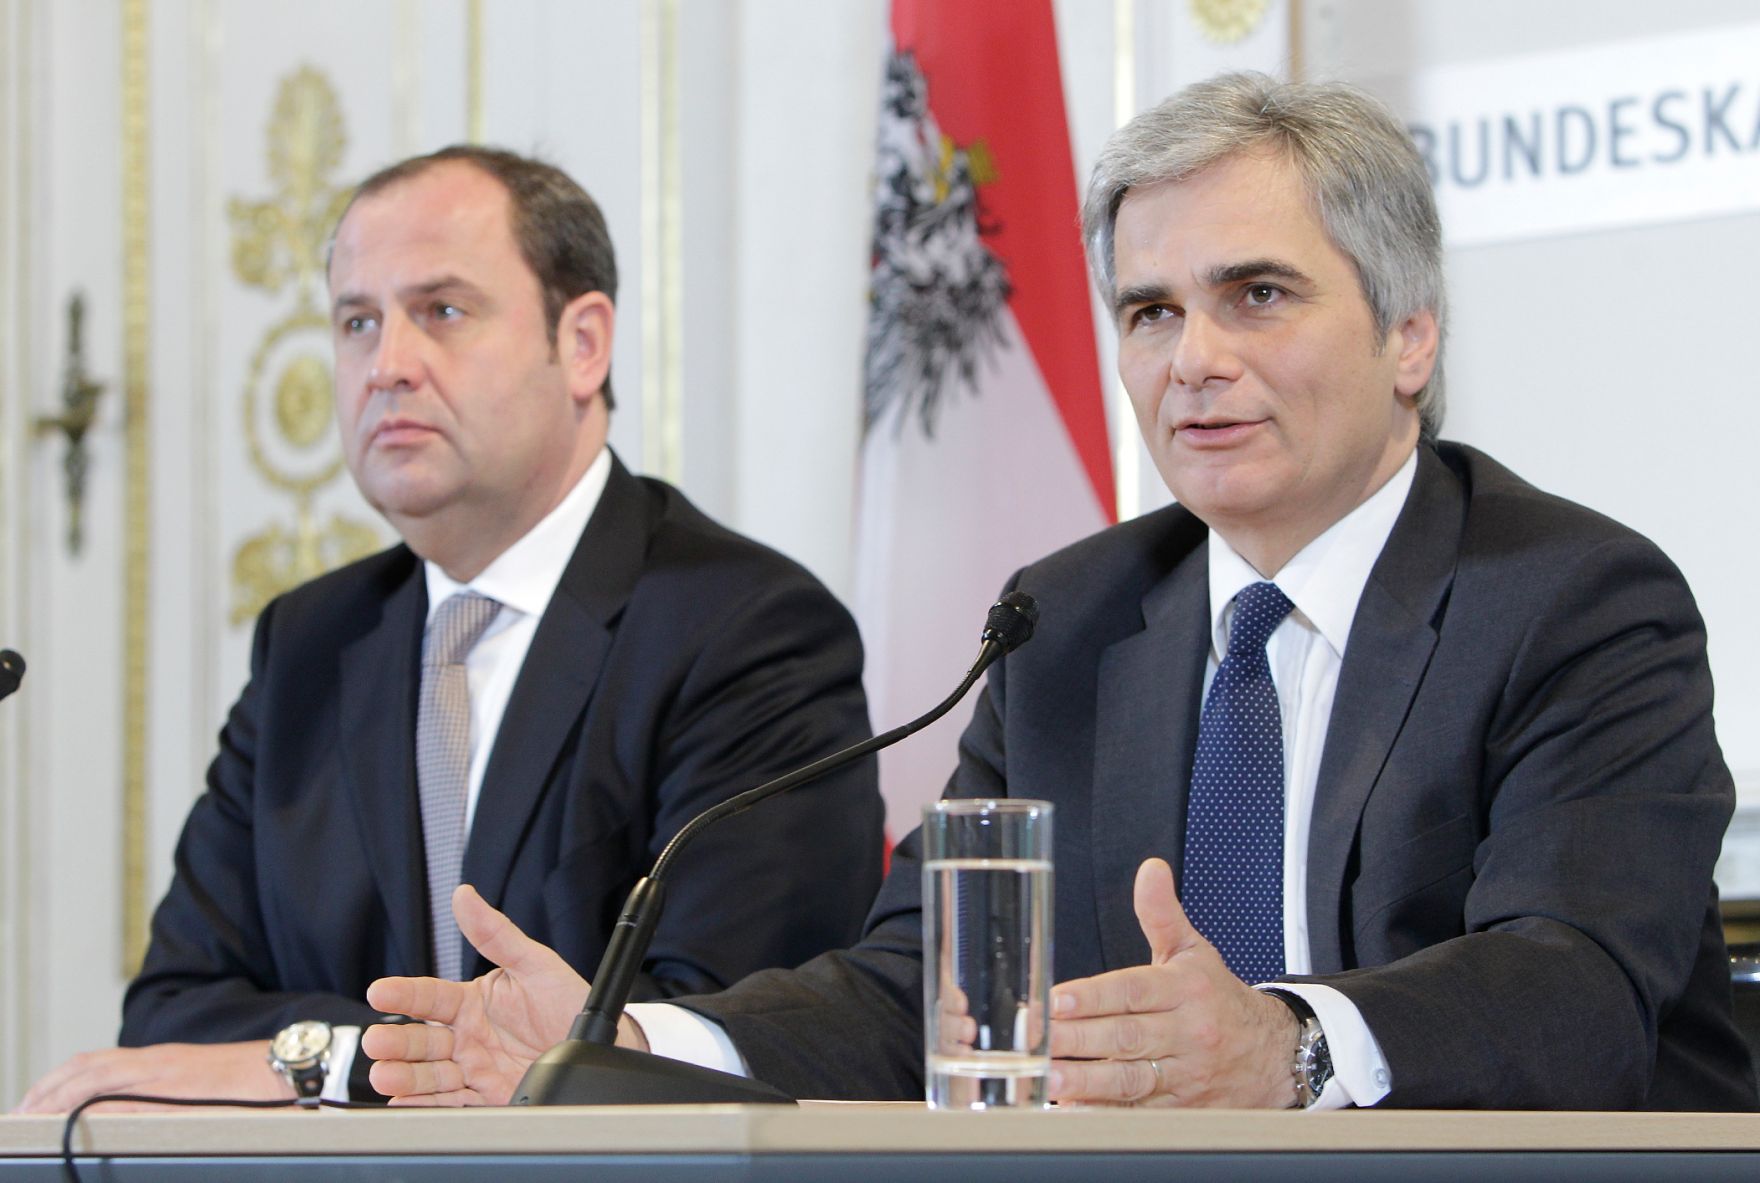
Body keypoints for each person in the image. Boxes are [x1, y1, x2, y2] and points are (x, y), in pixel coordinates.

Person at [360, 75, 1757, 1111]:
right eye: (1149, 311)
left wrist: (1289, 1041)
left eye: (1256, 294)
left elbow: (1581, 977)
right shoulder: (1068, 623)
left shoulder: (1573, 597)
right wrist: (621, 1039)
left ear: (1409, 334)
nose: (1190, 358)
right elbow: (922, 987)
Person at [16, 146, 883, 1113]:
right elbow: (174, 1018)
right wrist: (359, 1058)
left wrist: (322, 1060)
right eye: (357, 322)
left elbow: (713, 1036)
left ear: (584, 342)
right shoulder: (309, 643)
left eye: (443, 312)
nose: (387, 366)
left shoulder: (748, 632)